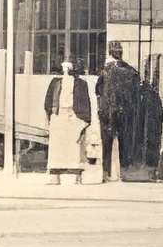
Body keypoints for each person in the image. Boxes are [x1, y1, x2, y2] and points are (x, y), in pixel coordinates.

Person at [94, 46, 142, 183]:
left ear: (110, 54)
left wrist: (101, 107)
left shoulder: (106, 71)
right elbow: (136, 94)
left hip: (107, 112)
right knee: (125, 142)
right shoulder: (131, 71)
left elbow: (98, 90)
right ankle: (123, 172)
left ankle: (107, 173)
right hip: (125, 112)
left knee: (107, 143)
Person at [43, 60, 95, 184]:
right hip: (59, 115)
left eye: (68, 68)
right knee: (57, 147)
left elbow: (85, 102)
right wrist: (51, 115)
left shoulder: (81, 84)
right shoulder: (55, 83)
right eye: (64, 68)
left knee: (74, 147)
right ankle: (55, 176)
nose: (65, 70)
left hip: (74, 116)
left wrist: (83, 119)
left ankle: (76, 176)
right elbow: (48, 101)